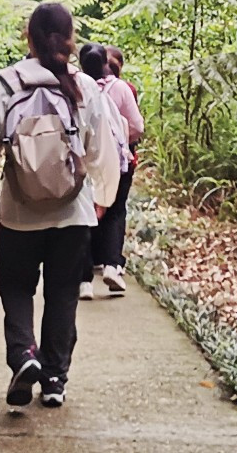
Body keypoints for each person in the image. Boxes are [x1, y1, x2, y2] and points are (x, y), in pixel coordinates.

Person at [0, 2, 120, 410]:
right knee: (63, 294)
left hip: (19, 214)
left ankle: (24, 355)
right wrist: (103, 198)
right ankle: (54, 379)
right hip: (73, 213)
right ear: (70, 39)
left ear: (29, 37)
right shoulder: (84, 86)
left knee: (16, 286)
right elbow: (101, 150)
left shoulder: (5, 84)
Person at [78, 44, 144, 299]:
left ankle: (84, 281)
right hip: (116, 161)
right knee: (115, 211)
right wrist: (122, 140)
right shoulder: (121, 88)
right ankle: (112, 266)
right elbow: (137, 126)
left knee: (84, 214)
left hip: (83, 161)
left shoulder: (75, 86)